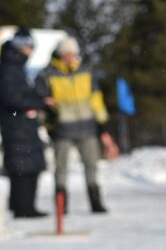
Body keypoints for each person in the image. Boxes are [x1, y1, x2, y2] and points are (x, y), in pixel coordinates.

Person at [36, 37, 115, 214]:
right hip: (62, 129)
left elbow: (96, 100)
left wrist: (103, 126)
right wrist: (49, 125)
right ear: (60, 54)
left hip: (88, 128)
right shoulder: (47, 75)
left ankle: (96, 202)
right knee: (61, 169)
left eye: (72, 54)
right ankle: (61, 205)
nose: (70, 57)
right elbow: (42, 102)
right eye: (66, 54)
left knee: (92, 166)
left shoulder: (86, 72)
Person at [0, 29, 50, 218]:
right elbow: (13, 98)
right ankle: (23, 208)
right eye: (29, 47)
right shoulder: (10, 67)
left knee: (28, 165)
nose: (31, 51)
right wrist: (39, 103)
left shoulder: (15, 66)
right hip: (16, 125)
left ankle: (24, 206)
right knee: (22, 167)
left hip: (21, 125)